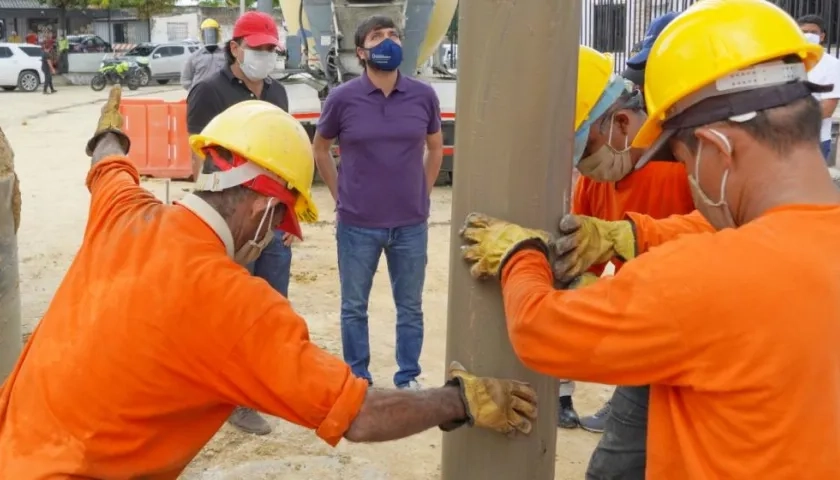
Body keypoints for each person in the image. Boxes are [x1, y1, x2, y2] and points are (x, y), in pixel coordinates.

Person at [0, 87, 538, 478]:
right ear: (261, 208)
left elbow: (108, 164)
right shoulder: (236, 305)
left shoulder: (125, 213)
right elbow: (360, 414)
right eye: (282, 222)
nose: (278, 239)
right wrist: (460, 400)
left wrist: (110, 133)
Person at [459, 0, 840, 477]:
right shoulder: (806, 238)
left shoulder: (706, 278)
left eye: (682, 159)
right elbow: (747, 234)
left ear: (718, 149)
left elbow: (543, 332)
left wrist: (521, 254)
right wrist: (633, 235)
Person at [551, 40, 696, 478]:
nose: (585, 163)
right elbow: (585, 257)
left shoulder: (689, 170)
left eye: (586, 146)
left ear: (620, 121)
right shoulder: (598, 180)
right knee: (613, 468)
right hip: (652, 339)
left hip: (701, 334)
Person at [312, 15, 444, 390]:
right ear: (361, 52)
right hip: (358, 225)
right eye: (377, 36)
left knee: (411, 308)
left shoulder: (423, 96)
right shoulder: (342, 99)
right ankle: (358, 378)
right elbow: (321, 149)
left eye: (394, 35)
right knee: (354, 307)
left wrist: (424, 191)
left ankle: (408, 377)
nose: (388, 41)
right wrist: (341, 196)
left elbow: (435, 147)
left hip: (410, 224)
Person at [186, 10, 293, 435]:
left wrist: (286, 220)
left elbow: (284, 156)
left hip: (271, 216)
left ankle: (262, 386)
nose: (265, 57)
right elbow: (200, 158)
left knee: (271, 307)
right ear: (235, 48)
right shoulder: (208, 92)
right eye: (258, 49)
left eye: (271, 50)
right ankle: (229, 398)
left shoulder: (278, 94)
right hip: (231, 223)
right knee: (231, 310)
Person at [797, 14, 840, 163]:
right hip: (786, 140)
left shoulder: (832, 65)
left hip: (815, 140)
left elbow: (827, 108)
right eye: (803, 32)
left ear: (822, 36)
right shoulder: (788, 61)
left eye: (813, 32)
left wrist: (791, 120)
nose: (807, 35)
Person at [181, 18, 227, 91]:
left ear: (218, 34)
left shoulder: (226, 56)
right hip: (200, 96)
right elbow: (185, 80)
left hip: (221, 95)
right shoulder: (194, 57)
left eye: (213, 32)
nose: (210, 36)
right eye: (207, 33)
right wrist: (194, 91)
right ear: (201, 35)